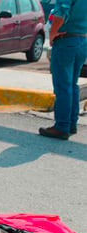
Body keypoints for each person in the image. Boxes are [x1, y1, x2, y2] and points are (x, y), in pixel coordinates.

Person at [39, 0, 87, 140]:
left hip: (66, 40)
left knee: (63, 87)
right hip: (81, 40)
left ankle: (61, 126)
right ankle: (71, 123)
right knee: (72, 85)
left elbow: (61, 12)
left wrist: (52, 33)